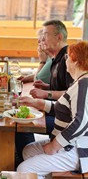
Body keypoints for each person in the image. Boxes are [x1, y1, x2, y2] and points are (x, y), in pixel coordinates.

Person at [17, 41, 88, 178]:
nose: (65, 61)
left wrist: (55, 145)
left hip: (77, 150)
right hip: (70, 145)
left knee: (24, 169)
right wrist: (37, 103)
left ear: (76, 62)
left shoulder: (83, 84)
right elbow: (62, 108)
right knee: (27, 151)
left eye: (68, 57)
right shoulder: (79, 82)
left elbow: (81, 121)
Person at [15, 20, 74, 168]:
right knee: (23, 117)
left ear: (59, 37)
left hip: (66, 121)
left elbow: (73, 93)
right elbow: (65, 88)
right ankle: (26, 158)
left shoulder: (68, 59)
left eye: (45, 35)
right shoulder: (57, 58)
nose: (42, 39)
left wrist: (47, 94)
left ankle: (26, 164)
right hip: (58, 112)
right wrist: (47, 88)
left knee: (25, 123)